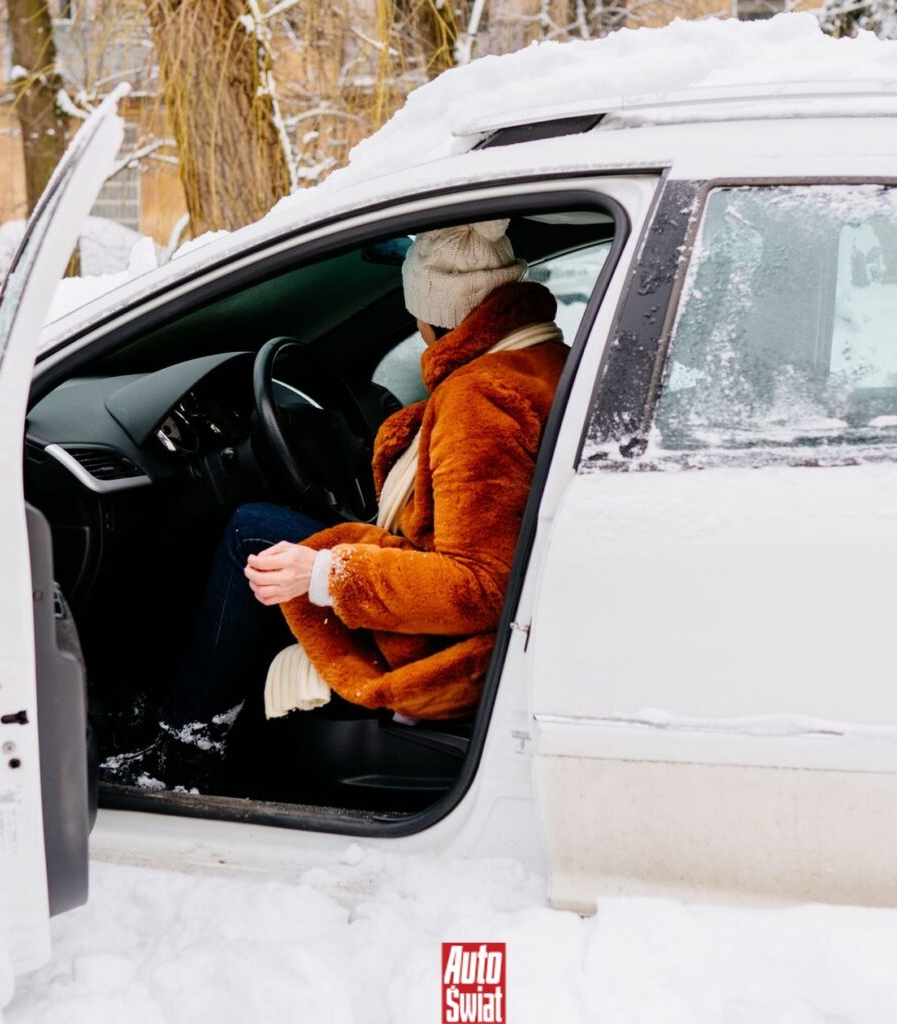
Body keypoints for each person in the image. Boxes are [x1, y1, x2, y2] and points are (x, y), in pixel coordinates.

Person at [110, 219, 569, 791]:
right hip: (475, 625)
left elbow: (480, 587)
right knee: (264, 529)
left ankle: (183, 750)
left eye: (415, 314)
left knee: (250, 532)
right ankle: (181, 728)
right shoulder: (540, 360)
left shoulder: (479, 397)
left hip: (445, 651)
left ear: (436, 313)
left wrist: (326, 573)